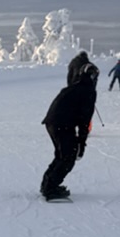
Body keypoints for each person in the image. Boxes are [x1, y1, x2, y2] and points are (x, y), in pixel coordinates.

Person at [40, 50, 99, 202]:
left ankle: (48, 184)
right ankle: (50, 188)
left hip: (53, 122)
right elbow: (85, 120)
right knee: (68, 157)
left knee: (61, 155)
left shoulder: (75, 86)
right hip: (62, 124)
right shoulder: (88, 91)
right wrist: (82, 143)